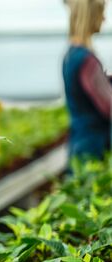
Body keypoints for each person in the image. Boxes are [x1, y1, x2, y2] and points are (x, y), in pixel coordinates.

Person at [62, 0, 111, 164]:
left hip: (79, 143)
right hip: (94, 148)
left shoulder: (71, 55)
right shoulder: (87, 60)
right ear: (89, 16)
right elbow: (108, 107)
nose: (104, 19)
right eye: (101, 13)